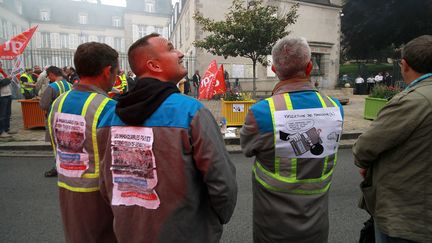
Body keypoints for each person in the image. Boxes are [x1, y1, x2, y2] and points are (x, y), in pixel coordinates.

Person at [98, 33, 237, 243]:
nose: (180, 53)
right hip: (187, 233)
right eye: (171, 49)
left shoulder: (109, 116)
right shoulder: (192, 113)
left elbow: (105, 182)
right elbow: (222, 182)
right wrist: (215, 219)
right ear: (154, 66)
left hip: (129, 232)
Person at [240, 36, 344, 243]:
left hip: (272, 223)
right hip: (316, 221)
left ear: (274, 69)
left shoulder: (261, 112)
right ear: (309, 67)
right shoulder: (335, 107)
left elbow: (247, 148)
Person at [353, 35, 432, 243]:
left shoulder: (411, 101)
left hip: (407, 215)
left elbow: (365, 147)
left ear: (404, 66)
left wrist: (365, 164)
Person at [46, 42, 118, 242]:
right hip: (98, 197)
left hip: (67, 189)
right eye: (116, 72)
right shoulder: (108, 107)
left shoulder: (57, 102)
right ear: (107, 71)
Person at [40, 66, 73, 177]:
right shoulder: (71, 86)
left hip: (54, 120)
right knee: (68, 145)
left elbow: (43, 105)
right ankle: (68, 165)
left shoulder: (52, 87)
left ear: (52, 74)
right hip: (69, 120)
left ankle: (57, 167)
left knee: (56, 145)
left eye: (49, 76)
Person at [0, 63, 12, 138]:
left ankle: (6, 129)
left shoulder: (2, 72)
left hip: (7, 94)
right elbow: (1, 83)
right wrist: (8, 79)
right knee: (2, 114)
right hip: (2, 96)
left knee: (8, 113)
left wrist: (8, 79)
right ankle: (1, 131)